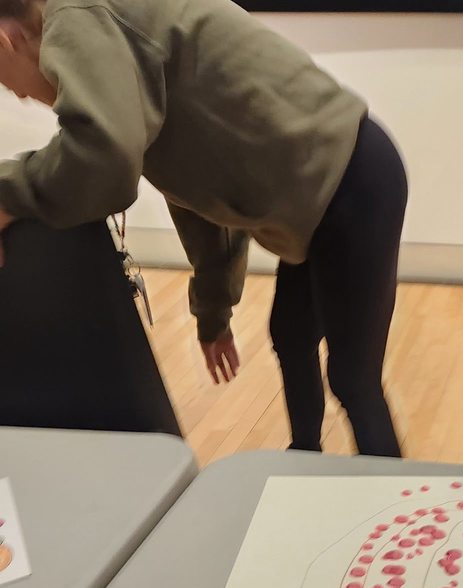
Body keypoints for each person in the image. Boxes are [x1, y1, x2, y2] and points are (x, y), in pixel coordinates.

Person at [0, 0, 405, 455]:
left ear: (6, 41)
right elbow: (203, 200)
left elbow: (101, 159)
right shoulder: (121, 58)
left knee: (353, 379)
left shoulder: (76, 15)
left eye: (4, 80)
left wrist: (8, 194)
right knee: (291, 337)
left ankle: (391, 500)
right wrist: (213, 314)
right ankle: (305, 460)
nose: (18, 96)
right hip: (332, 191)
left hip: (351, 184)